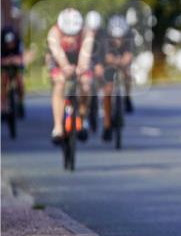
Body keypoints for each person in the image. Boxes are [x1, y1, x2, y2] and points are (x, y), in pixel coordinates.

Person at [47, 8, 95, 144]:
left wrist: (81, 69)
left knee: (86, 84)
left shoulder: (87, 32)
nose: (70, 38)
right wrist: (66, 68)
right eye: (66, 34)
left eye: (74, 34)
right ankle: (57, 127)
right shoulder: (53, 32)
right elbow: (57, 54)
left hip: (79, 60)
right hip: (60, 61)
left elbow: (86, 55)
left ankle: (83, 117)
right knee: (59, 83)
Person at [101, 15, 134, 141]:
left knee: (127, 73)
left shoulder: (129, 37)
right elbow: (106, 57)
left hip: (122, 61)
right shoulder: (105, 39)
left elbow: (129, 55)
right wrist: (114, 61)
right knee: (108, 90)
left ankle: (127, 96)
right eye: (116, 38)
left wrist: (124, 61)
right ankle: (107, 125)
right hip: (109, 63)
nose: (118, 41)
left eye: (121, 38)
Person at [1, 24, 25, 119]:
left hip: (16, 65)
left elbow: (22, 57)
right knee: (3, 81)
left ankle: (20, 102)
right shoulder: (2, 45)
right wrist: (5, 61)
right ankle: (3, 106)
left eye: (12, 43)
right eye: (8, 43)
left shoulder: (19, 43)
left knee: (20, 81)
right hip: (5, 65)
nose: (10, 45)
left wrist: (17, 60)